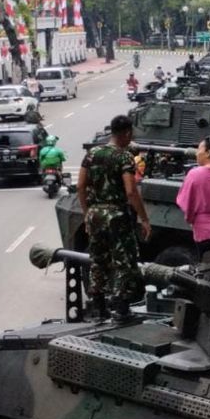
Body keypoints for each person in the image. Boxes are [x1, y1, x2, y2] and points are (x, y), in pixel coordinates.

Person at [76, 115, 152, 322]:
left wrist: (87, 214)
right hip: (116, 215)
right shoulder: (124, 157)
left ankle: (99, 306)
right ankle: (121, 307)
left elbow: (80, 186)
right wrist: (144, 219)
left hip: (95, 214)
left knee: (98, 260)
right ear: (126, 133)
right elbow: (130, 191)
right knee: (124, 261)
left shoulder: (91, 154)